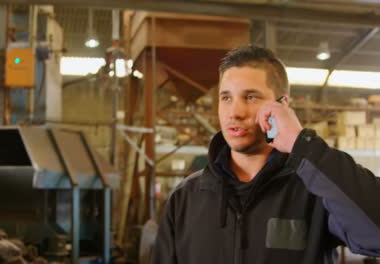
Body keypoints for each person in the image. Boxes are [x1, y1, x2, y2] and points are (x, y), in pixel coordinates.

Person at [151, 45, 380, 263]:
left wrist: (303, 145)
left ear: (282, 105)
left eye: (251, 97)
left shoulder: (315, 191)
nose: (235, 112)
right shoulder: (186, 197)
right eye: (226, 97)